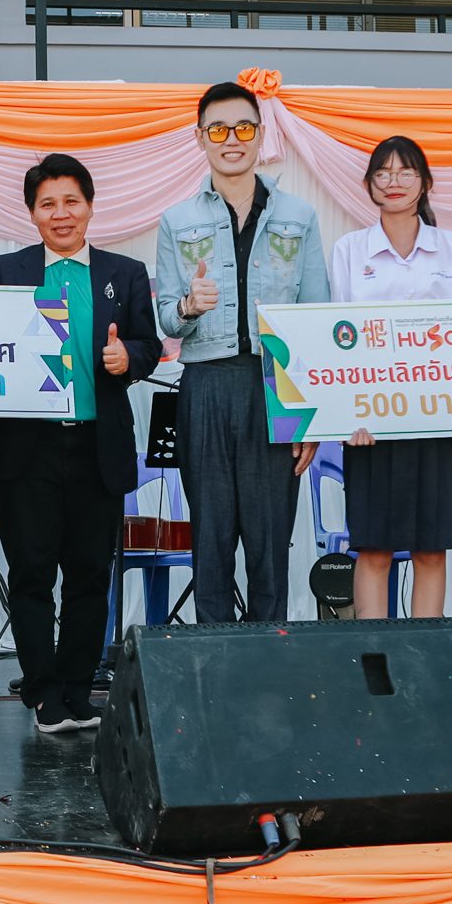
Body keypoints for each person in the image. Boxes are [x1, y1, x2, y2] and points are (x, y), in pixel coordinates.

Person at [0, 153, 160, 735]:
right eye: (47, 203)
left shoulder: (125, 273)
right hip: (26, 449)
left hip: (98, 445)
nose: (61, 213)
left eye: (71, 201)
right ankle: (43, 692)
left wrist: (129, 358)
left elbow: (149, 345)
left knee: (89, 576)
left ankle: (77, 690)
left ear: (90, 207)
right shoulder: (8, 270)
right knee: (31, 575)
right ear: (32, 213)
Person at [152, 79, 329, 624]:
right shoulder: (176, 220)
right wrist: (188, 306)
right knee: (210, 537)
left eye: (244, 128)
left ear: (260, 134)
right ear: (200, 137)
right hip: (205, 385)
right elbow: (165, 319)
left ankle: (269, 655)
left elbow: (315, 318)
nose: (232, 140)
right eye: (219, 130)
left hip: (277, 387)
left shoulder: (299, 215)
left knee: (270, 539)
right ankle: (215, 657)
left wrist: (311, 418)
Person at [327, 136, 452, 622]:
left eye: (405, 172)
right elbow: (335, 338)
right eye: (383, 173)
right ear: (369, 184)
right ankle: (372, 653)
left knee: (431, 548)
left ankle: (424, 655)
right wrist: (346, 416)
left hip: (440, 420)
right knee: (374, 547)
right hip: (371, 423)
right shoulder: (349, 250)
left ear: (425, 182)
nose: (393, 182)